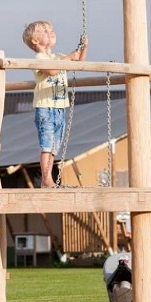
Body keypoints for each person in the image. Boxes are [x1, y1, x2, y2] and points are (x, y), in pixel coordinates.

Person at [22, 20, 88, 188]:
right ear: (36, 41)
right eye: (45, 31)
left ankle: (48, 178)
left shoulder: (57, 56)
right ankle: (46, 179)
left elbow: (79, 64)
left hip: (59, 108)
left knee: (53, 147)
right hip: (45, 107)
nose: (51, 32)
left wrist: (82, 48)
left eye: (51, 29)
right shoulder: (39, 58)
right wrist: (69, 57)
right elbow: (52, 70)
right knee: (46, 145)